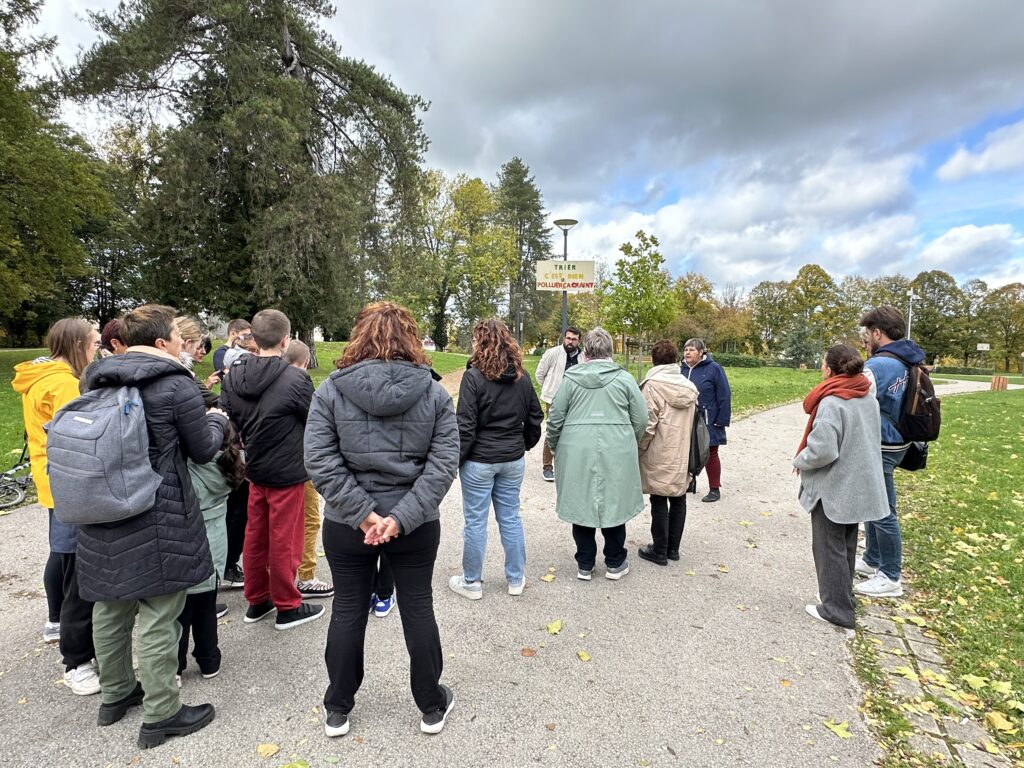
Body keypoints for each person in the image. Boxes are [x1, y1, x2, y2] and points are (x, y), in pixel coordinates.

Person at [76, 304, 228, 748]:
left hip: (100, 505)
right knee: (162, 611)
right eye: (180, 340)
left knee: (111, 604)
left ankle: (117, 694)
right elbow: (201, 451)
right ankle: (163, 711)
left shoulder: (96, 377)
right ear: (161, 342)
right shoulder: (174, 383)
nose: (185, 347)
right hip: (156, 510)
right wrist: (217, 421)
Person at [305, 301, 459, 738]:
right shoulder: (432, 391)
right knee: (417, 607)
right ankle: (430, 704)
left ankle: (338, 706)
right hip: (408, 523)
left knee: (349, 610)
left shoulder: (331, 390)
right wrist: (389, 516)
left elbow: (319, 458)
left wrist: (368, 516)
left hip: (353, 524)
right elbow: (443, 463)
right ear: (412, 337)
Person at [12, 318, 101, 694]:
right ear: (78, 344)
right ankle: (76, 658)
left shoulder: (44, 376)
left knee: (63, 555)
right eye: (95, 343)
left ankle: (55, 621)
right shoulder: (63, 384)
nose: (99, 349)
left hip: (53, 480)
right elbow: (83, 433)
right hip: (69, 484)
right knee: (74, 566)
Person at [220, 309, 324, 630]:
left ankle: (258, 598)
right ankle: (287, 605)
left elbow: (228, 421)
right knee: (285, 539)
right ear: (285, 340)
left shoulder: (234, 376)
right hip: (287, 470)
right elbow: (316, 420)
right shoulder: (295, 379)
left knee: (256, 535)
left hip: (255, 467)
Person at [794, 344, 888, 628]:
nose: (821, 369)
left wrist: (801, 459)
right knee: (845, 544)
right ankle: (843, 596)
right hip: (859, 482)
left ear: (831, 369)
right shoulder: (866, 396)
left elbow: (823, 449)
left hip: (835, 484)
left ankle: (836, 609)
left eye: (823, 364)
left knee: (828, 546)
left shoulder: (832, 402)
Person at [449, 318, 543, 600]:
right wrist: (523, 444)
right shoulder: (522, 377)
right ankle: (516, 578)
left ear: (480, 342)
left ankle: (472, 582)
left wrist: (457, 459)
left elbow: (464, 424)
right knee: (510, 518)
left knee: (475, 521)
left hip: (480, 459)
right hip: (511, 458)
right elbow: (536, 417)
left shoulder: (474, 377)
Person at [546, 327, 648, 581]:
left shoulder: (570, 379)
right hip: (617, 445)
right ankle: (615, 561)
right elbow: (641, 419)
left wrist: (556, 446)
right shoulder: (624, 379)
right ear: (610, 350)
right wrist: (628, 441)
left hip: (576, 446)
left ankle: (585, 562)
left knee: (581, 500)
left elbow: (555, 418)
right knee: (614, 500)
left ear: (586, 351)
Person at [853, 306, 925, 599]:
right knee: (874, 500)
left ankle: (890, 575)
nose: (865, 340)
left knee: (882, 509)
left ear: (877, 333)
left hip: (882, 443)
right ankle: (872, 559)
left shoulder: (878, 366)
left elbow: (857, 401)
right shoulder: (909, 359)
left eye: (867, 333)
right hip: (901, 441)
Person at [177, 424, 246, 683]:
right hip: (215, 547)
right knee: (206, 607)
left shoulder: (188, 471)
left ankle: (176, 664)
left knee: (179, 612)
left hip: (186, 544)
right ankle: (209, 660)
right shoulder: (231, 464)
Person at [636, 340, 699, 566]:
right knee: (679, 497)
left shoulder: (652, 386)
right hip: (683, 451)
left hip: (659, 451)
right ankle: (673, 549)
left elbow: (647, 424)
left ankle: (659, 550)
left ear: (654, 360)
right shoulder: (689, 386)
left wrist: (638, 448)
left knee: (659, 497)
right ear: (675, 360)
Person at [283, 339, 335, 599]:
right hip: (299, 463)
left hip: (269, 465)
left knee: (276, 524)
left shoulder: (264, 379)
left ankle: (276, 578)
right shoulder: (299, 383)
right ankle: (306, 575)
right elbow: (314, 421)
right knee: (309, 519)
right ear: (305, 363)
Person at [681, 338, 731, 502]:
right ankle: (688, 482)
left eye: (692, 350)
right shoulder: (680, 369)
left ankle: (714, 489)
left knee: (710, 452)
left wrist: (721, 420)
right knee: (685, 451)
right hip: (685, 418)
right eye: (686, 349)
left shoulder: (714, 369)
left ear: (701, 352)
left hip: (708, 418)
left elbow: (724, 394)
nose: (687, 352)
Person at [534, 326, 581, 481]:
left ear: (578, 341)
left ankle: (569, 466)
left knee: (574, 432)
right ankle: (547, 467)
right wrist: (549, 390)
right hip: (554, 400)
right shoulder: (553, 353)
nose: (570, 342)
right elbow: (540, 374)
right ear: (564, 338)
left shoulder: (583, 357)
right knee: (553, 431)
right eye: (568, 338)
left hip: (576, 401)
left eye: (574, 339)